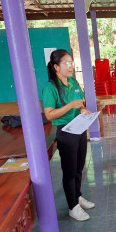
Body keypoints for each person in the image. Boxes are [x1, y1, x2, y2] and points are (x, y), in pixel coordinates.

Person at [43, 49, 95, 221]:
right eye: (66, 63)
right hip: (65, 131)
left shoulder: (73, 82)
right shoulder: (50, 88)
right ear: (56, 67)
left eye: (71, 62)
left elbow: (79, 103)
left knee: (79, 167)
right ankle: (73, 206)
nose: (71, 66)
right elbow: (49, 114)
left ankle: (78, 196)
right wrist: (70, 105)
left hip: (79, 128)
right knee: (69, 171)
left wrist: (82, 109)